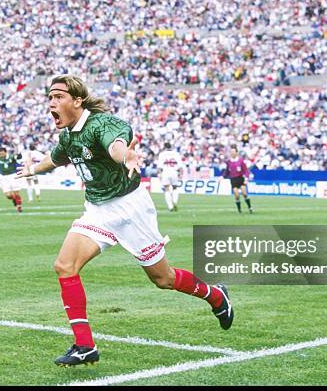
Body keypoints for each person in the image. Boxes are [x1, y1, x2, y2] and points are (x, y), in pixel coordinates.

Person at [16, 75, 233, 367]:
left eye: (58, 96)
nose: (51, 103)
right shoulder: (68, 135)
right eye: (50, 98)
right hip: (98, 210)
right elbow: (55, 159)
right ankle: (84, 345)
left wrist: (126, 158)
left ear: (77, 101)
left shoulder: (102, 124)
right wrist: (32, 169)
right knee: (64, 265)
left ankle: (216, 295)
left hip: (130, 208)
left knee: (163, 279)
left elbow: (117, 146)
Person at [222, 145, 253, 214]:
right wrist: (222, 177)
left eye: (233, 152)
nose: (232, 153)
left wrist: (246, 178)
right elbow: (227, 171)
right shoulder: (229, 161)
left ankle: (250, 207)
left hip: (240, 178)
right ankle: (239, 210)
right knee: (236, 195)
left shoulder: (240, 161)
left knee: (244, 194)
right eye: (231, 152)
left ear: (236, 152)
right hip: (233, 179)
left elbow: (245, 170)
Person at [0, 147, 24, 212]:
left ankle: (19, 206)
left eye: (2, 154)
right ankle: (17, 201)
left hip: (12, 176)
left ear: (6, 152)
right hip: (3, 178)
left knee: (16, 193)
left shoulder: (11, 157)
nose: (1, 155)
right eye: (0, 154)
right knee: (8, 196)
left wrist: (18, 154)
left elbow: (18, 157)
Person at [157, 142, 183, 211]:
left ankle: (170, 206)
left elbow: (159, 166)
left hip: (165, 172)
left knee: (166, 189)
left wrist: (159, 174)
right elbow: (180, 166)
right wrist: (180, 173)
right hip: (174, 172)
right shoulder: (176, 154)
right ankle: (174, 201)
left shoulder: (162, 154)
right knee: (175, 188)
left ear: (164, 147)